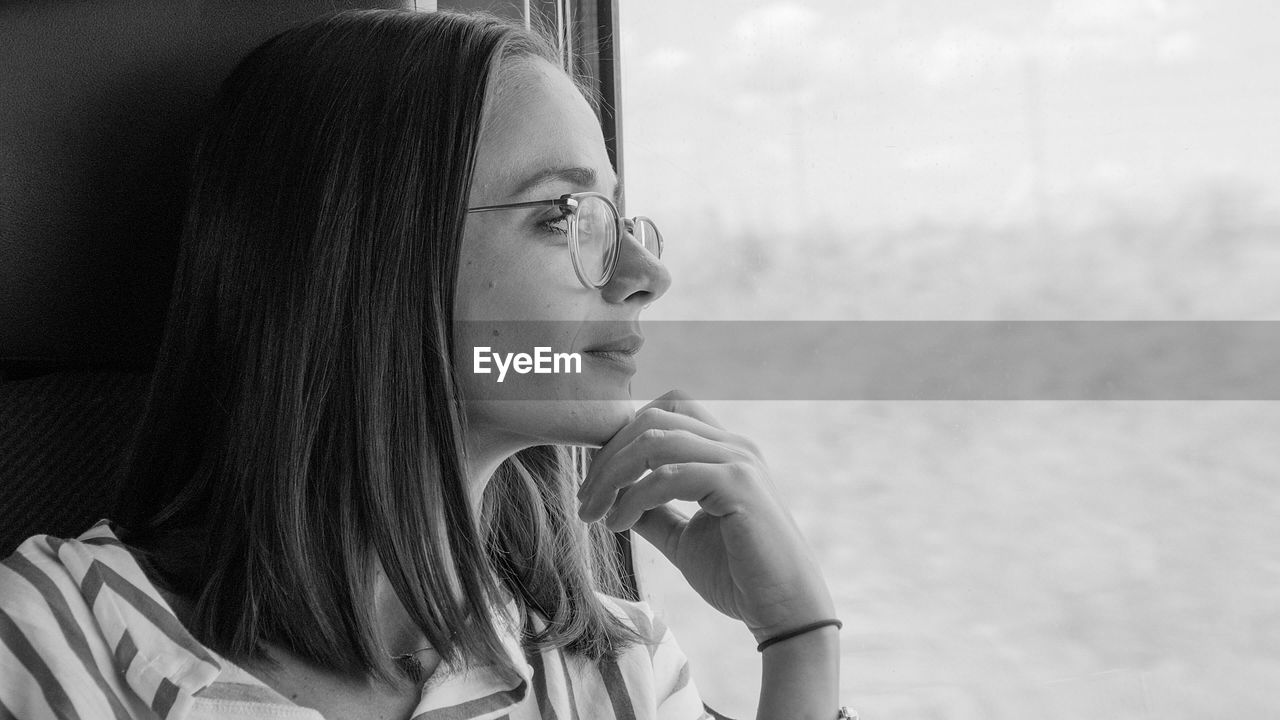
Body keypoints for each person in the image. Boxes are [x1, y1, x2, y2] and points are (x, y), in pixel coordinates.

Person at [0, 10, 841, 719]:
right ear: (371, 258)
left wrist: (797, 638)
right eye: (564, 214)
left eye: (618, 215)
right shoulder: (52, 645)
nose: (646, 275)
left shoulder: (614, 673)